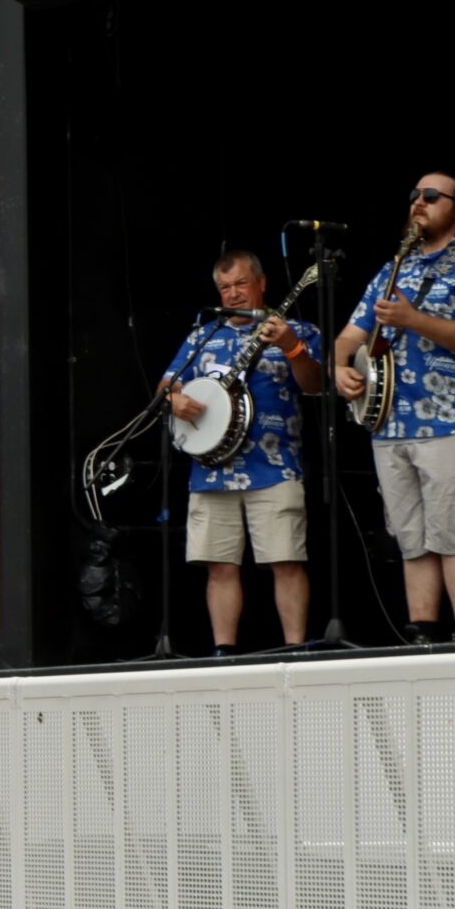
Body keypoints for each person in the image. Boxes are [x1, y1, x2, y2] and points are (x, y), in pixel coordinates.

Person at [331, 172, 455, 642]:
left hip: (452, 420)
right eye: (415, 195)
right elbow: (349, 336)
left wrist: (413, 319)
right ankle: (422, 633)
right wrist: (339, 368)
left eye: (432, 196)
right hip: (390, 423)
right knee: (411, 538)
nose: (419, 202)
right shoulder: (396, 266)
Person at [159, 251, 327, 652]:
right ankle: (225, 652)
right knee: (219, 566)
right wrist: (174, 399)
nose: (233, 294)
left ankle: (294, 649)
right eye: (224, 287)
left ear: (261, 283)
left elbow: (316, 384)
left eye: (240, 284)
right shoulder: (203, 336)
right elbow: (167, 385)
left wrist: (292, 347)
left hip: (275, 466)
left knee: (285, 560)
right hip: (212, 469)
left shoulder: (298, 331)